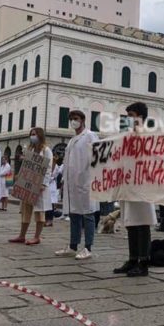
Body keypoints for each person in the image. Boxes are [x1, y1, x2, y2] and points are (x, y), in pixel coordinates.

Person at [114, 103, 157, 277]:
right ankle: (132, 259)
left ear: (140, 116)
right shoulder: (127, 135)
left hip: (142, 185)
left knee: (142, 222)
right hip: (128, 184)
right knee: (130, 221)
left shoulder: (149, 136)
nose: (128, 119)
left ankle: (143, 261)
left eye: (131, 115)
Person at [55, 110, 98, 260]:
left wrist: (90, 176)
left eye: (76, 118)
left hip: (86, 181)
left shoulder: (90, 136)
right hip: (72, 182)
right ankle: (73, 246)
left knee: (88, 213)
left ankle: (88, 247)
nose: (74, 121)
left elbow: (96, 157)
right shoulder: (73, 140)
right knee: (74, 213)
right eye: (72, 119)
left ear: (83, 120)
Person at [9, 128, 54, 245]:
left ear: (40, 135)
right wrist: (20, 176)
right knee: (25, 210)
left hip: (39, 185)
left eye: (34, 134)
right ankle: (22, 235)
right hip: (28, 184)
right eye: (31, 134)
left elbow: (48, 168)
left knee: (39, 211)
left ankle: (37, 237)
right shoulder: (30, 149)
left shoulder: (46, 150)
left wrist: (44, 183)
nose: (32, 136)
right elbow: (26, 166)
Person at [45, 154, 63, 227]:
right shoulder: (47, 165)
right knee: (46, 205)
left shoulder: (55, 166)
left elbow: (53, 176)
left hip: (51, 186)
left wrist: (46, 180)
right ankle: (46, 219)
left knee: (51, 205)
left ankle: (50, 220)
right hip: (46, 186)